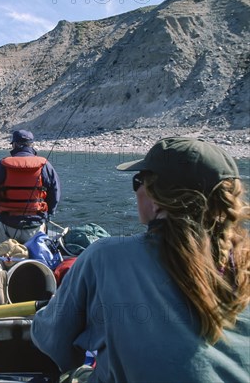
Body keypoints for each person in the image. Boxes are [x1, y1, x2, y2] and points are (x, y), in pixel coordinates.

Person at [31, 137, 249, 382]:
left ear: (157, 201)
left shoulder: (104, 256)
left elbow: (52, 342)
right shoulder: (244, 265)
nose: (136, 190)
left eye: (139, 182)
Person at [0, 130, 60, 244]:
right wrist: (49, 214)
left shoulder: (2, 165)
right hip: (35, 225)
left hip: (8, 223)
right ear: (32, 145)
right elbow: (55, 192)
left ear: (14, 145)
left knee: (7, 258)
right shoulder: (45, 165)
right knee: (36, 257)